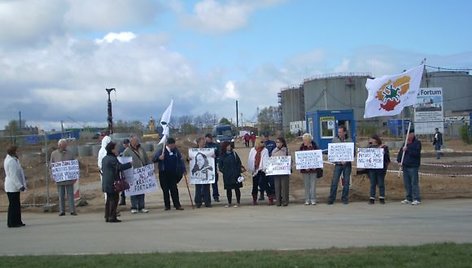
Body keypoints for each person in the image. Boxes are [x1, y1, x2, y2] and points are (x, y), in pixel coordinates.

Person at [101, 142, 132, 223]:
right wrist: (129, 164)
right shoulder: (112, 159)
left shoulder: (105, 158)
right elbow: (119, 167)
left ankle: (107, 216)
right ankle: (112, 216)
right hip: (113, 182)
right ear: (112, 150)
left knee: (109, 199)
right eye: (115, 148)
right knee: (114, 200)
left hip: (106, 182)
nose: (117, 150)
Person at [153, 137, 185, 211]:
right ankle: (167, 205)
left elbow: (180, 160)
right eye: (172, 144)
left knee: (174, 189)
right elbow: (154, 159)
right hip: (163, 172)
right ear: (168, 144)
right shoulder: (161, 151)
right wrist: (159, 158)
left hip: (173, 173)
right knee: (165, 190)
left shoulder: (176, 151)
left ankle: (177, 205)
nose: (173, 146)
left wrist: (183, 169)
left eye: (174, 144)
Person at [122, 135, 150, 214]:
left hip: (142, 173)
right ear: (131, 142)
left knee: (141, 190)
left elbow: (146, 159)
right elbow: (124, 162)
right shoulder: (127, 151)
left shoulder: (141, 149)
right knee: (133, 191)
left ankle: (142, 206)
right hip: (132, 173)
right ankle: (134, 207)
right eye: (134, 141)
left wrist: (149, 167)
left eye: (137, 141)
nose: (136, 142)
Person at [50, 139, 77, 216]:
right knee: (61, 195)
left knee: (70, 195)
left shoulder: (70, 153)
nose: (64, 147)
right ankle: (62, 211)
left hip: (69, 178)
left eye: (65, 145)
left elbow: (74, 166)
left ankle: (72, 210)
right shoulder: (54, 154)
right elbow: (51, 166)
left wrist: (74, 176)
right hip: (59, 179)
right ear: (59, 145)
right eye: (62, 145)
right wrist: (52, 176)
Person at [328, 126, 353, 205]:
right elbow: (332, 152)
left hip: (347, 164)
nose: (339, 133)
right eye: (338, 132)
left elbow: (353, 153)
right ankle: (331, 198)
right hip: (338, 164)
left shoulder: (349, 140)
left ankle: (345, 198)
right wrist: (338, 160)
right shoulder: (334, 140)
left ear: (345, 132)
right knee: (334, 181)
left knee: (346, 182)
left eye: (341, 132)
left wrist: (346, 159)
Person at [397, 129, 422, 205]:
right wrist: (399, 160)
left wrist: (408, 149)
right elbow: (401, 153)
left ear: (413, 134)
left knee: (414, 182)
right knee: (407, 183)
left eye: (410, 134)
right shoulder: (405, 143)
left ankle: (416, 198)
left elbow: (416, 153)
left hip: (413, 166)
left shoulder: (417, 143)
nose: (408, 136)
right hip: (405, 166)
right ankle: (408, 198)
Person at [4, 146, 27, 228]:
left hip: (14, 186)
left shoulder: (14, 160)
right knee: (13, 205)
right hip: (12, 186)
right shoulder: (11, 161)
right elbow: (13, 176)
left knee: (16, 204)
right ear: (13, 152)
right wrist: (20, 186)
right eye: (16, 151)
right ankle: (12, 222)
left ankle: (17, 221)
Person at [366, 134, 390, 205]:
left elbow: (387, 158)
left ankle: (382, 197)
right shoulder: (369, 147)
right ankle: (372, 198)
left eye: (371, 139)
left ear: (375, 140)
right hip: (372, 168)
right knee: (372, 183)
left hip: (380, 168)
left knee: (381, 183)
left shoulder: (384, 147)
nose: (370, 140)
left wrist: (383, 152)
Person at [218, 141, 244, 208]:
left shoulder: (234, 153)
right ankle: (229, 203)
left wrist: (238, 170)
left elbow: (239, 162)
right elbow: (220, 166)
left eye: (230, 146)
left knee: (237, 188)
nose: (229, 147)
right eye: (228, 146)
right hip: (227, 176)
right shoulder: (222, 155)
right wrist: (225, 172)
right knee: (228, 189)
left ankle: (238, 202)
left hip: (236, 174)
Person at [299, 133, 321, 205]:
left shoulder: (314, 147)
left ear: (308, 140)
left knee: (313, 185)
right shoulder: (302, 147)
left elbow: (318, 157)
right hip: (305, 170)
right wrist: (305, 166)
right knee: (306, 185)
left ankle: (313, 199)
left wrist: (315, 165)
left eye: (305, 140)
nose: (303, 141)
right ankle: (307, 199)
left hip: (314, 169)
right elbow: (300, 158)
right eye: (303, 140)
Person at [190, 137, 212, 208]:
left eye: (204, 142)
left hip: (206, 174)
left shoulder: (208, 150)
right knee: (198, 188)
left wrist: (213, 156)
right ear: (198, 142)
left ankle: (207, 202)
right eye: (202, 142)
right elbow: (189, 159)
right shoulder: (194, 151)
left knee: (206, 187)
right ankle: (198, 202)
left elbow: (214, 156)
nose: (203, 143)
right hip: (197, 175)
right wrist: (188, 159)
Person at [247, 137, 270, 205]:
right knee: (255, 185)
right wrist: (252, 168)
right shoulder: (253, 150)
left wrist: (264, 168)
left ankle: (270, 198)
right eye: (261, 142)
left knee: (265, 184)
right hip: (255, 170)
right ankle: (254, 199)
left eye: (263, 142)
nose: (263, 143)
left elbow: (266, 159)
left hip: (262, 169)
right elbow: (250, 159)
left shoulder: (265, 150)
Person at [271, 137, 290, 206]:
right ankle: (278, 201)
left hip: (284, 171)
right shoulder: (274, 151)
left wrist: (289, 167)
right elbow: (271, 161)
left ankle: (285, 201)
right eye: (276, 142)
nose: (277, 143)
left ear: (282, 143)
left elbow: (290, 160)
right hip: (276, 172)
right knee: (277, 187)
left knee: (285, 187)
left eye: (279, 142)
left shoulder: (286, 150)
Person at [260, 132, 276, 201]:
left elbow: (275, 151)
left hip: (271, 163)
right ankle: (261, 194)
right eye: (264, 136)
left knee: (271, 180)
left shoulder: (272, 143)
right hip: (262, 165)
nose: (266, 137)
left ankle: (273, 194)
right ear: (262, 136)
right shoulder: (260, 143)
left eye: (267, 136)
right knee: (261, 181)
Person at [205, 133, 220, 202]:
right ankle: (204, 196)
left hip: (213, 166)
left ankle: (216, 196)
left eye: (209, 138)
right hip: (205, 167)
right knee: (205, 183)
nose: (207, 139)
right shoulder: (204, 146)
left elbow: (220, 154)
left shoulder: (216, 145)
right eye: (206, 138)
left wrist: (216, 157)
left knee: (214, 182)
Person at [118, 138, 130, 206]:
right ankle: (123, 200)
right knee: (123, 185)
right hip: (123, 169)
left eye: (127, 144)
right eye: (125, 144)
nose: (126, 145)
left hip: (130, 168)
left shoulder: (131, 150)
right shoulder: (121, 150)